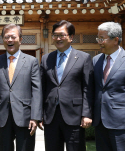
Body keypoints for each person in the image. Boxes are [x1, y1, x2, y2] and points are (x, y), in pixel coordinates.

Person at [40, 20, 94, 151]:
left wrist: (86, 114)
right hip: (51, 115)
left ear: (71, 37)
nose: (58, 38)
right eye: (55, 35)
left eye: (62, 35)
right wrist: (39, 114)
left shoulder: (83, 58)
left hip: (74, 115)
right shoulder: (46, 58)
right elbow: (41, 88)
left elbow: (88, 88)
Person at [0, 24, 42, 151]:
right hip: (2, 117)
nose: (10, 40)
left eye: (13, 37)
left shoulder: (31, 61)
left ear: (20, 39)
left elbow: (37, 90)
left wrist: (35, 117)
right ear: (2, 39)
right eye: (6, 37)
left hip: (26, 117)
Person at [92, 22, 125, 151]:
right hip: (99, 120)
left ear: (115, 40)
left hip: (120, 120)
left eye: (102, 38)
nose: (99, 42)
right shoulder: (96, 60)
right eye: (98, 38)